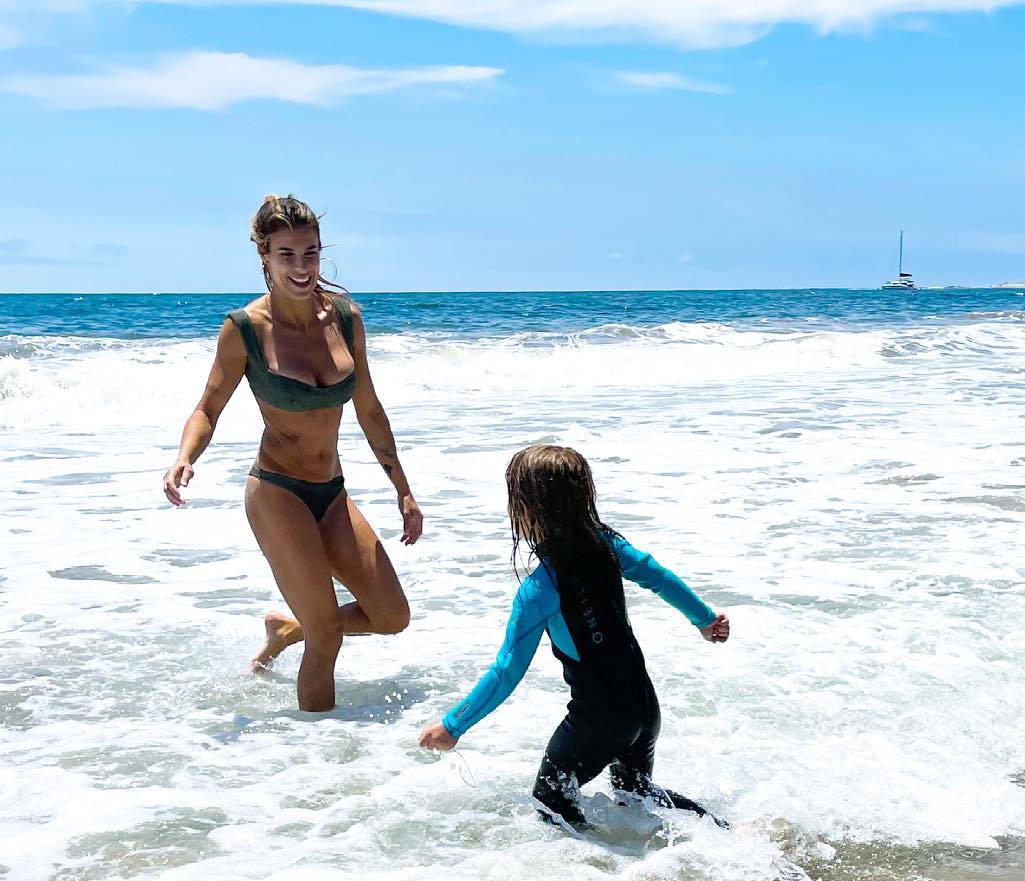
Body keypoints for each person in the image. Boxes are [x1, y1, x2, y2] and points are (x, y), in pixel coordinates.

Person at [163, 194, 422, 711]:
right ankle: (319, 762)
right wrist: (186, 455)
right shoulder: (244, 330)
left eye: (310, 254)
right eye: (287, 255)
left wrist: (404, 490)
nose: (301, 267)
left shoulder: (346, 319)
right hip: (278, 490)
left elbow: (369, 409)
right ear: (264, 256)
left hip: (331, 491)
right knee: (327, 634)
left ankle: (286, 630)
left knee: (392, 616)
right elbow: (208, 407)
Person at [417, 444, 729, 829]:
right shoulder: (612, 548)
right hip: (645, 710)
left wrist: (452, 726)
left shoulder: (540, 588)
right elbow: (657, 575)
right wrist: (704, 620)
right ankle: (723, 831)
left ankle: (605, 878)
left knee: (549, 806)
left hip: (598, 721)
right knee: (637, 796)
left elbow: (506, 672)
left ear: (527, 510)